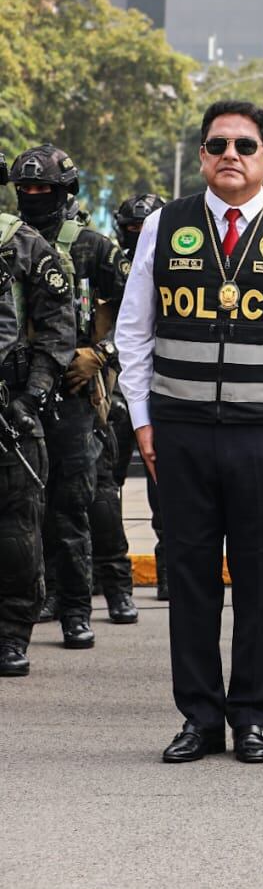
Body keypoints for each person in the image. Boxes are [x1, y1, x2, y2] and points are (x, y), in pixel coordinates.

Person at [117, 100, 263, 763]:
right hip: (180, 435)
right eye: (218, 144)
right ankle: (198, 717)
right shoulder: (168, 224)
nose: (231, 155)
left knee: (258, 578)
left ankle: (251, 716)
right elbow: (134, 332)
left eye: (246, 146)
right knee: (190, 579)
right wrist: (142, 419)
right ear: (201, 156)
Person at [11, 146, 125, 646]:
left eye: (45, 190)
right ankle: (45, 594)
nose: (35, 197)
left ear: (65, 193)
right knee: (23, 507)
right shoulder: (11, 241)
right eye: (26, 190)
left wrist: (101, 352)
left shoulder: (93, 247)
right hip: (18, 387)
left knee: (72, 503)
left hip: (74, 392)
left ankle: (78, 608)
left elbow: (142, 309)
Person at [0, 174, 76, 676]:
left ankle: (10, 635)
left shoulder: (22, 244)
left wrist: (32, 395)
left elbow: (58, 325)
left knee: (16, 528)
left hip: (10, 408)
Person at [110, 193, 171, 600]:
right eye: (131, 230)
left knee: (163, 490)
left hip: (159, 388)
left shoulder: (178, 257)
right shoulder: (108, 262)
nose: (137, 236)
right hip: (112, 387)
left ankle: (167, 570)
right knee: (103, 490)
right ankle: (111, 579)